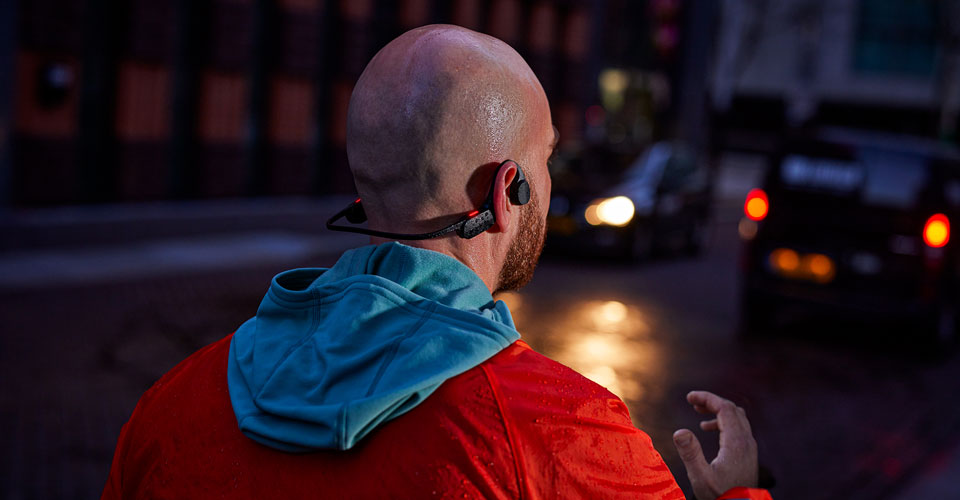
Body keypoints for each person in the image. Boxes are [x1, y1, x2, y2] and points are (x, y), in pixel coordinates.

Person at [102, 25, 771, 500]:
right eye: (546, 159)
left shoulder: (172, 404)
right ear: (505, 191)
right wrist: (737, 494)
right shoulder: (570, 440)